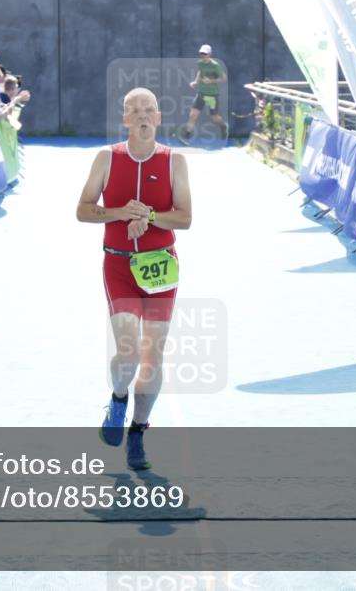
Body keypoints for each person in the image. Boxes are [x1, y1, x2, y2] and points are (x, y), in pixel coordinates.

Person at [76, 87, 192, 471]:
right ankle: (119, 397)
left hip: (161, 268)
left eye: (149, 110)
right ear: (124, 118)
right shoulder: (107, 158)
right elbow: (83, 210)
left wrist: (152, 218)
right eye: (134, 111)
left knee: (152, 355)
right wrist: (121, 212)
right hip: (120, 265)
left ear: (159, 118)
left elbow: (186, 218)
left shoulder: (175, 161)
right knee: (127, 351)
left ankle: (138, 431)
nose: (142, 116)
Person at [177, 44, 228, 145]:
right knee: (193, 115)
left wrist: (211, 81)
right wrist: (195, 82)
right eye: (201, 54)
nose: (203, 56)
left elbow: (224, 78)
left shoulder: (215, 65)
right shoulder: (200, 63)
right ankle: (187, 135)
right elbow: (200, 72)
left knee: (214, 117)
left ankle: (223, 126)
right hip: (201, 93)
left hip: (212, 95)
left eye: (205, 54)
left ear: (209, 54)